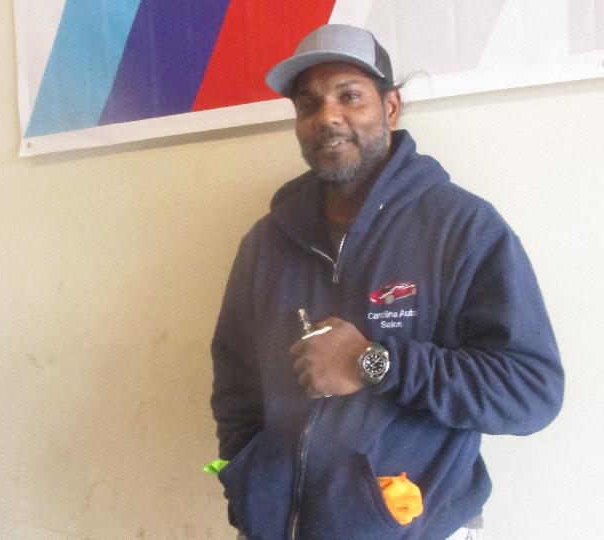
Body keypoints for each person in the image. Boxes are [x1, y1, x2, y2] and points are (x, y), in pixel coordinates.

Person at [210, 24, 564, 539]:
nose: (327, 117)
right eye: (308, 104)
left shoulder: (462, 228)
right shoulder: (266, 243)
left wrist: (373, 362)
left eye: (349, 96)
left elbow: (530, 392)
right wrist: (247, 491)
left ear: (391, 108)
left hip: (412, 528)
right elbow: (235, 384)